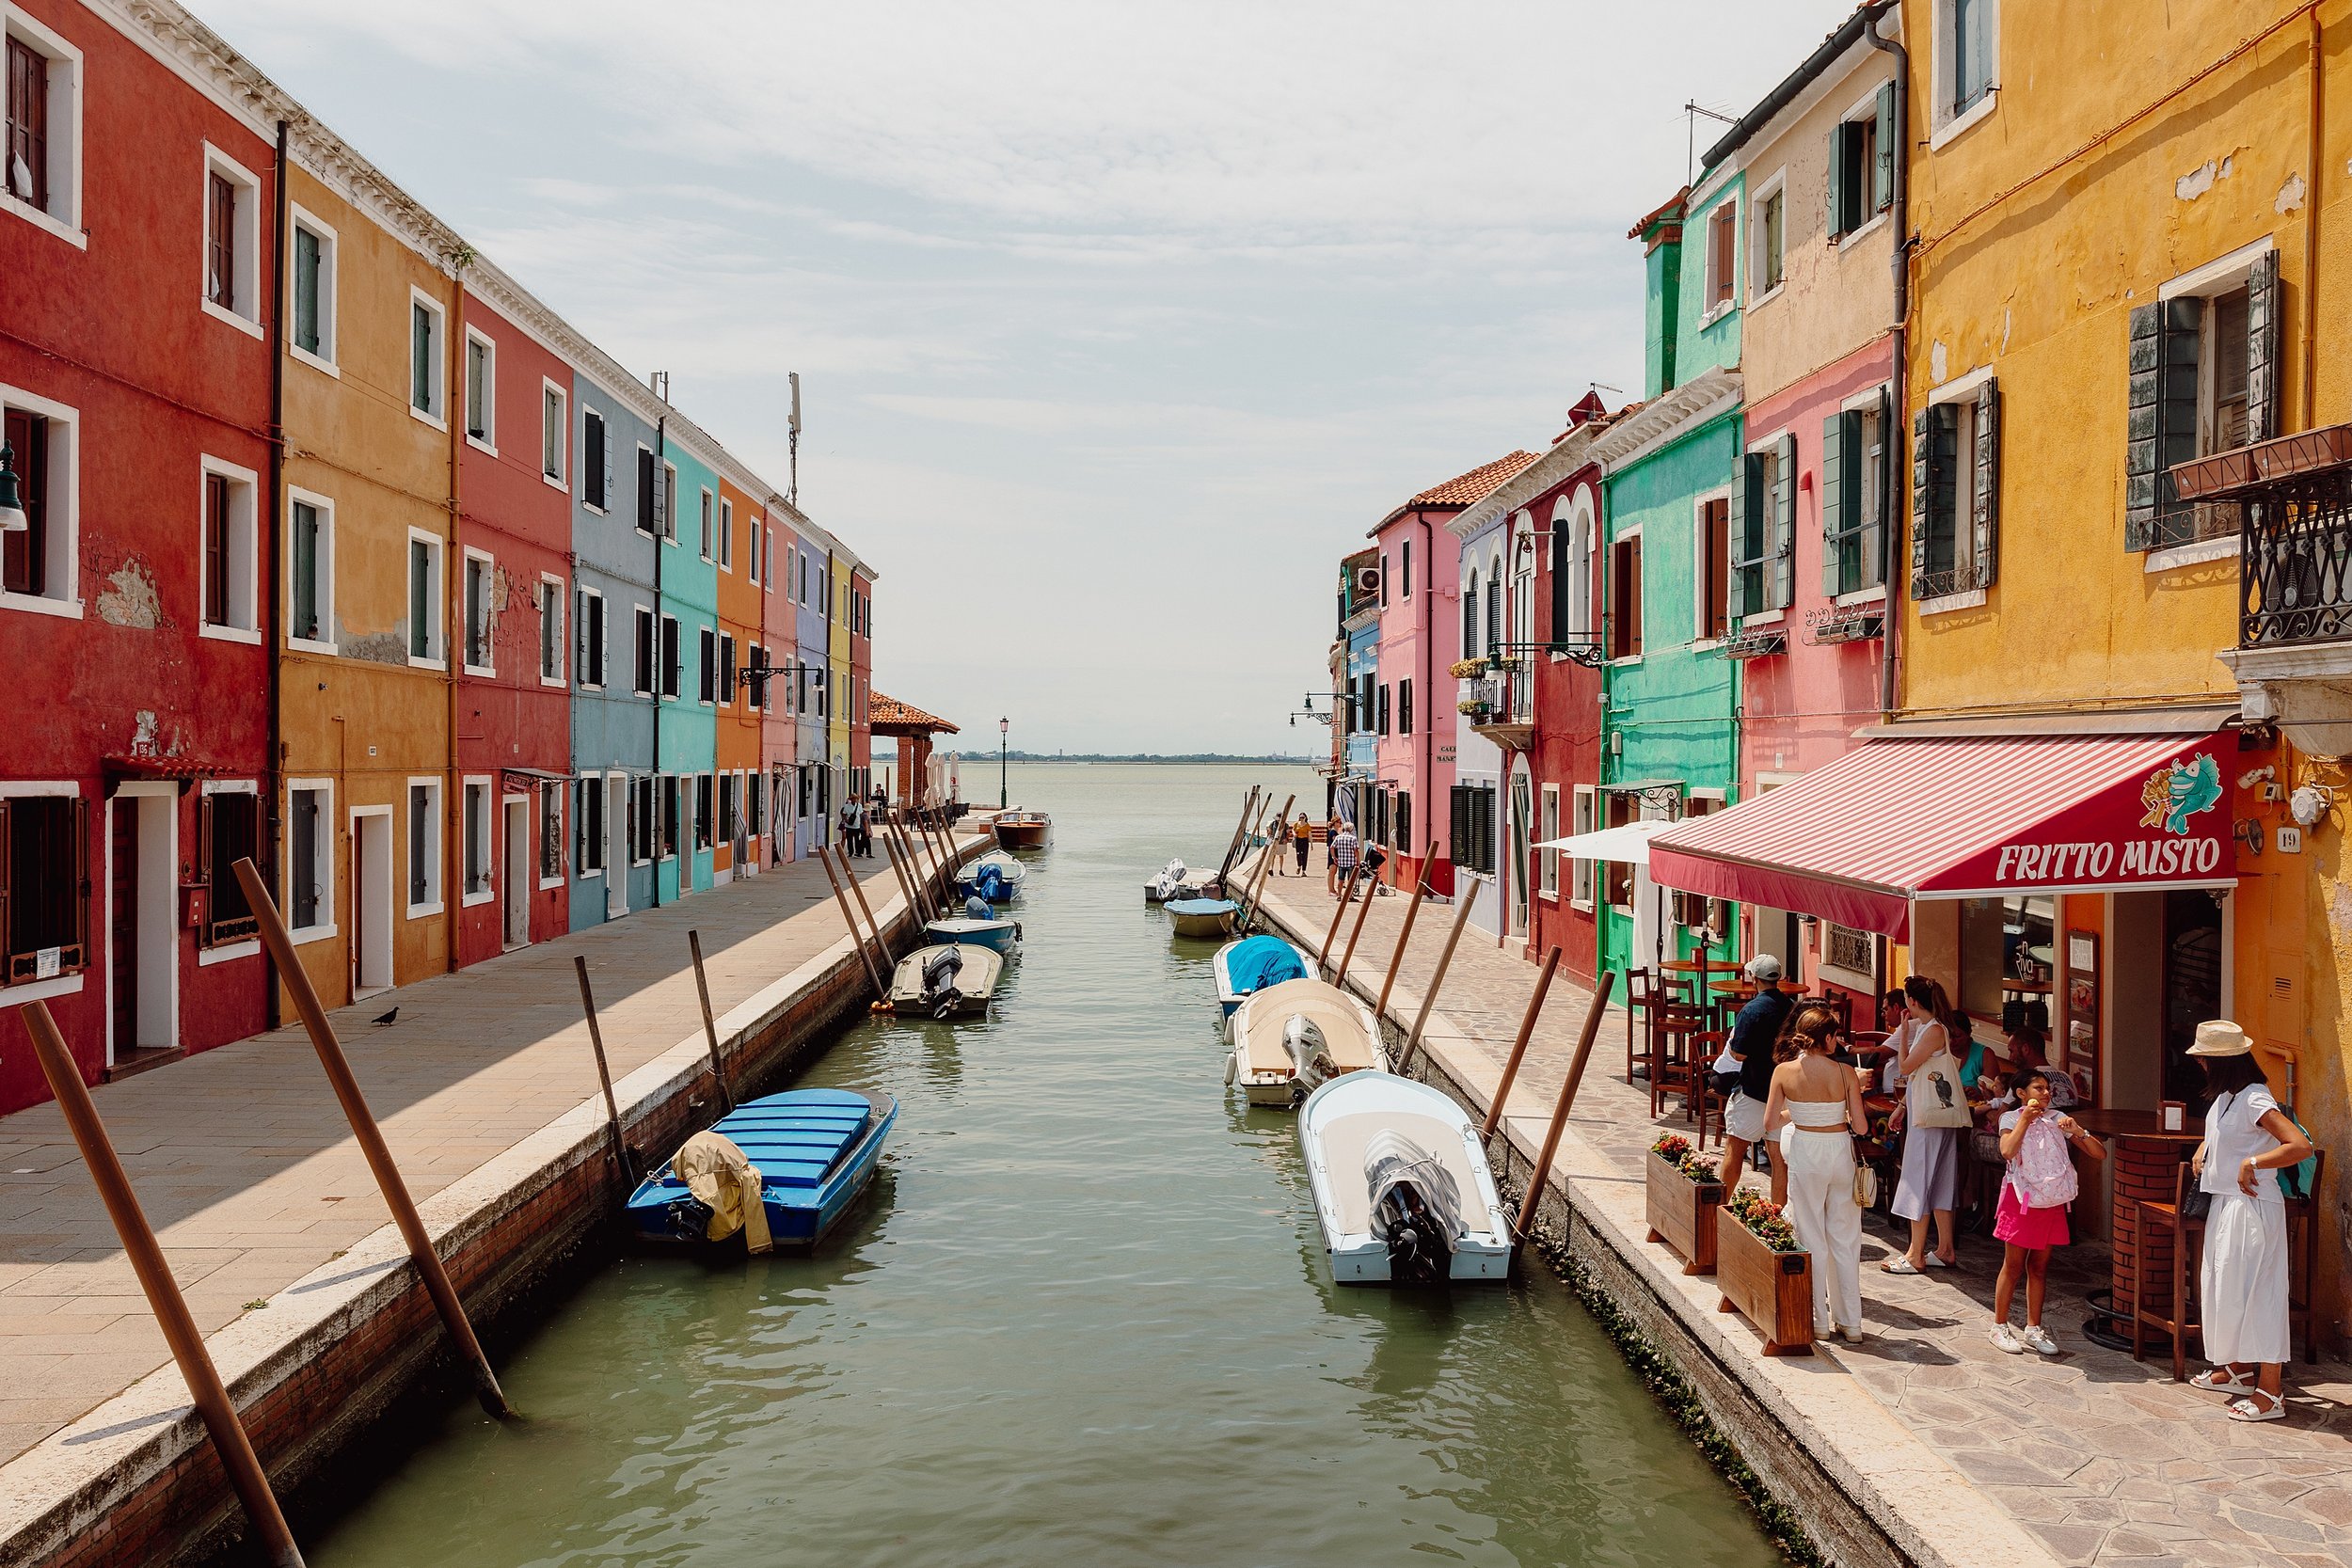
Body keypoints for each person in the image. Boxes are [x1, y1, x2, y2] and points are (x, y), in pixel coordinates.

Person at [2186, 1020, 2315, 1421]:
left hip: (2253, 1207)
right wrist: (2206, 1147)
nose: (2201, 1064)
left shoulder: (2255, 1098)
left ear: (2220, 1061)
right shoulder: (2229, 1096)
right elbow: (2230, 1133)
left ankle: (2271, 1391)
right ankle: (2239, 1369)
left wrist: (2253, 1161)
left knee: (2259, 1293)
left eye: (2205, 1058)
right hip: (2228, 1204)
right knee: (2226, 1290)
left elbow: (2300, 1146)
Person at [1764, 1004, 1868, 1341]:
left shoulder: (1783, 1072)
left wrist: (1797, 1113)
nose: (1838, 1040)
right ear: (1826, 1037)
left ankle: (1818, 1321)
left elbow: (1769, 1123)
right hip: (1839, 1151)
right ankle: (1851, 1323)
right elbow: (1862, 1127)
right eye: (1836, 1035)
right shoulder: (1845, 1073)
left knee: (1810, 1234)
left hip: (1807, 1150)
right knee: (1845, 1237)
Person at [1987, 1067, 2105, 1354]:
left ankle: (2032, 1328)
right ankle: (1999, 1326)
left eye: (2047, 1088)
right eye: (2038, 1088)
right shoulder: (2010, 1118)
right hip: (2021, 1199)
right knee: (2013, 1266)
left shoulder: (2058, 1119)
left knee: (2039, 1267)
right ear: (2021, 1094)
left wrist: (2078, 1131)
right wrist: (2024, 1121)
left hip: (2051, 1200)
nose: (2046, 1093)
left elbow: (2098, 1153)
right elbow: (2007, 1151)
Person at [1884, 974, 1970, 1275]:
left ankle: (1915, 1253)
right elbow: (1919, 1076)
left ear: (1913, 1001)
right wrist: (1902, 1107)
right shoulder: (1932, 1028)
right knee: (1941, 1179)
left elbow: (1906, 1067)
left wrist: (1904, 1034)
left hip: (1929, 1118)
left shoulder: (1931, 1030)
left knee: (1918, 1178)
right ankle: (1945, 1249)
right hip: (1931, 1113)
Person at [1717, 955, 1794, 1206]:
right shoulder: (1793, 1008)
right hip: (1784, 1094)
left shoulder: (1751, 1010)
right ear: (1778, 978)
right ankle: (1777, 1214)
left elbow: (1738, 1053)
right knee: (1778, 1159)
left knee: (1735, 1149)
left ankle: (1720, 1205)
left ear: (1754, 979)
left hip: (1754, 1089)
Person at [1328, 819, 1360, 899]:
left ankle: (1339, 895)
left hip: (1341, 862)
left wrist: (1334, 857)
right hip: (1351, 862)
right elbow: (1356, 850)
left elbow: (1332, 847)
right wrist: (1358, 860)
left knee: (1340, 880)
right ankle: (1349, 896)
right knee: (1350, 880)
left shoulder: (1339, 837)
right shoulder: (1353, 838)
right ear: (1351, 829)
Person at [1291, 813, 1312, 877]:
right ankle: (1299, 866)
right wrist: (1294, 834)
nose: (1301, 819)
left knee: (1305, 856)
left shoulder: (1307, 825)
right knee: (1298, 854)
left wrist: (1311, 844)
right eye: (1300, 817)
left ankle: (1303, 871)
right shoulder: (1296, 824)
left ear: (1305, 818)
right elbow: (1293, 830)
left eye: (1303, 817)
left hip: (1305, 840)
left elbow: (1310, 835)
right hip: (1298, 840)